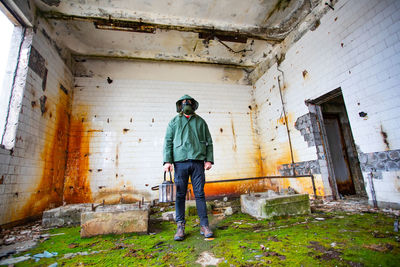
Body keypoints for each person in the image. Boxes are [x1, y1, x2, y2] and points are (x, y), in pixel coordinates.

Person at [163, 95, 214, 241]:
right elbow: (168, 142)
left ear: (194, 105)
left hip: (198, 162)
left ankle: (204, 225)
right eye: (184, 103)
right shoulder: (174, 122)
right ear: (180, 105)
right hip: (180, 163)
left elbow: (209, 142)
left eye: (189, 103)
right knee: (180, 195)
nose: (187, 104)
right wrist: (167, 161)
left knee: (199, 193)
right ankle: (180, 227)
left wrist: (209, 160)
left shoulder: (201, 122)